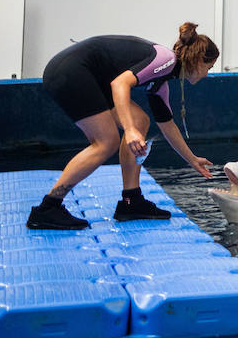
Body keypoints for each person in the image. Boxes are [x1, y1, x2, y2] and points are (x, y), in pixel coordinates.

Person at [26, 22, 220, 230]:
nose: (207, 74)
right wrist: (129, 130)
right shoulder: (166, 60)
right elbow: (119, 84)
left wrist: (191, 159)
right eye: (208, 67)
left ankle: (131, 201)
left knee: (140, 121)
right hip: (71, 72)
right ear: (198, 60)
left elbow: (167, 124)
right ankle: (48, 207)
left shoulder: (161, 80)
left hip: (84, 74)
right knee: (106, 142)